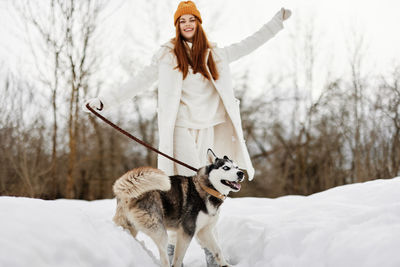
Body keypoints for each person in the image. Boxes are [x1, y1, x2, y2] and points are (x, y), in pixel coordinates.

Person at [85, 1, 291, 266]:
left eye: (191, 20)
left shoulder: (216, 54)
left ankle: (211, 256)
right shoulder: (167, 56)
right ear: (177, 26)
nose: (187, 25)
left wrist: (277, 22)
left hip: (209, 127)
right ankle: (174, 256)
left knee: (211, 191)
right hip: (180, 127)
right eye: (182, 21)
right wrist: (105, 101)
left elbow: (249, 43)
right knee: (186, 190)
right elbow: (138, 81)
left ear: (198, 23)